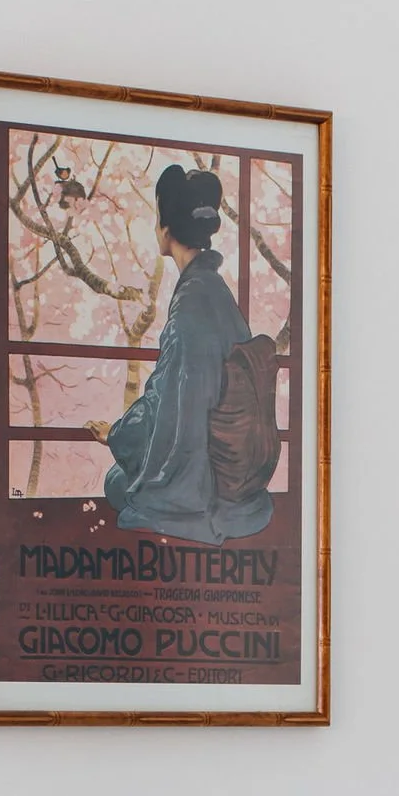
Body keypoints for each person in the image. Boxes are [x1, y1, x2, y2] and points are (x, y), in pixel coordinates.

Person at [85, 163, 273, 542]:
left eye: (157, 219)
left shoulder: (190, 303)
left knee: (117, 483)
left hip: (203, 472)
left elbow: (172, 403)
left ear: (167, 229)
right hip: (236, 467)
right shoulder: (215, 290)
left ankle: (194, 507)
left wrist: (118, 435)